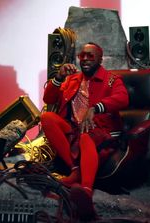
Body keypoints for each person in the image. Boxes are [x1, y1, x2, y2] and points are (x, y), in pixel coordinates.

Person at [40, 42, 129, 220]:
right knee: (47, 118)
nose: (85, 59)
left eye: (91, 56)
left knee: (86, 136)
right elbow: (48, 98)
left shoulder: (111, 79)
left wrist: (97, 108)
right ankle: (75, 170)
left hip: (100, 131)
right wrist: (58, 77)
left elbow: (123, 99)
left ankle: (86, 191)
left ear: (100, 59)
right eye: (82, 56)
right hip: (74, 129)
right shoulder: (73, 80)